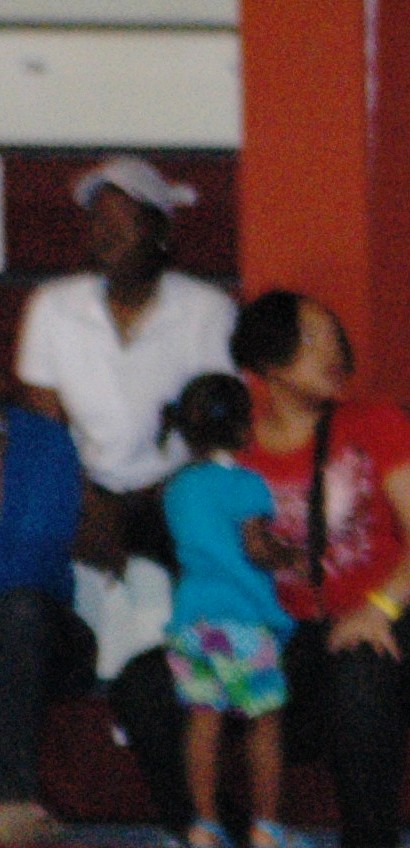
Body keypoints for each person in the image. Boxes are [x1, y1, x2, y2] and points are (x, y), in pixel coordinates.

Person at [110, 292, 410, 848]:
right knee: (145, 685)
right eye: (310, 339)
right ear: (268, 363)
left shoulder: (377, 422)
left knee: (359, 666)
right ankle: (228, 842)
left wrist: (378, 609)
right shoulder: (230, 445)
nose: (332, 351)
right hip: (280, 636)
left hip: (403, 625)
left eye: (333, 336)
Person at [13, 155, 235, 577]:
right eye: (98, 221)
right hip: (80, 496)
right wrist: (89, 504)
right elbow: (45, 431)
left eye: (125, 220)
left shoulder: (208, 311)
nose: (107, 233)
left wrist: (160, 503)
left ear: (162, 231)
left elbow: (219, 429)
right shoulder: (52, 306)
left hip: (176, 496)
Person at [159, 373, 308, 848]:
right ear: (246, 429)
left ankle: (204, 825)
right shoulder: (248, 485)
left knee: (203, 721)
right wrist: (289, 557)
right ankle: (266, 826)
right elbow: (256, 549)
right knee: (263, 722)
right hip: (243, 623)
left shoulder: (177, 488)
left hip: (193, 624)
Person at [0, 397, 91, 846]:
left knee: (20, 612)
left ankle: (13, 800)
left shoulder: (44, 440)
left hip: (46, 633)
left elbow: (38, 554)